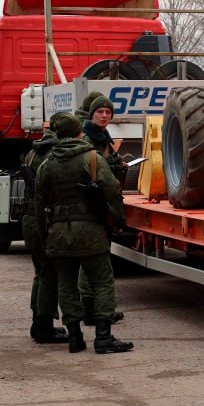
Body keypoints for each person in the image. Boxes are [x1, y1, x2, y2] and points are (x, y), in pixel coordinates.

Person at [38, 113, 133, 354]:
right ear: (79, 132)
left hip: (58, 233)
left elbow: (40, 202)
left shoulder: (47, 163)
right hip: (91, 231)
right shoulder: (92, 158)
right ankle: (103, 337)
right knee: (101, 282)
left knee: (66, 285)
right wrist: (119, 221)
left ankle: (74, 337)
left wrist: (44, 237)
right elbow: (111, 191)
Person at [22, 112, 70, 344]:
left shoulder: (34, 150)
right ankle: (43, 327)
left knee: (41, 273)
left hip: (30, 218)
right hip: (44, 219)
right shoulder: (54, 154)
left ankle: (38, 323)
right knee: (49, 275)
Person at [79, 93, 125, 325]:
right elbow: (91, 168)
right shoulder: (87, 138)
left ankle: (95, 309)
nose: (105, 116)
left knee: (99, 259)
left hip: (101, 203)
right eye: (100, 112)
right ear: (92, 114)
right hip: (93, 206)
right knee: (93, 263)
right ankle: (90, 311)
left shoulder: (103, 136)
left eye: (108, 112)